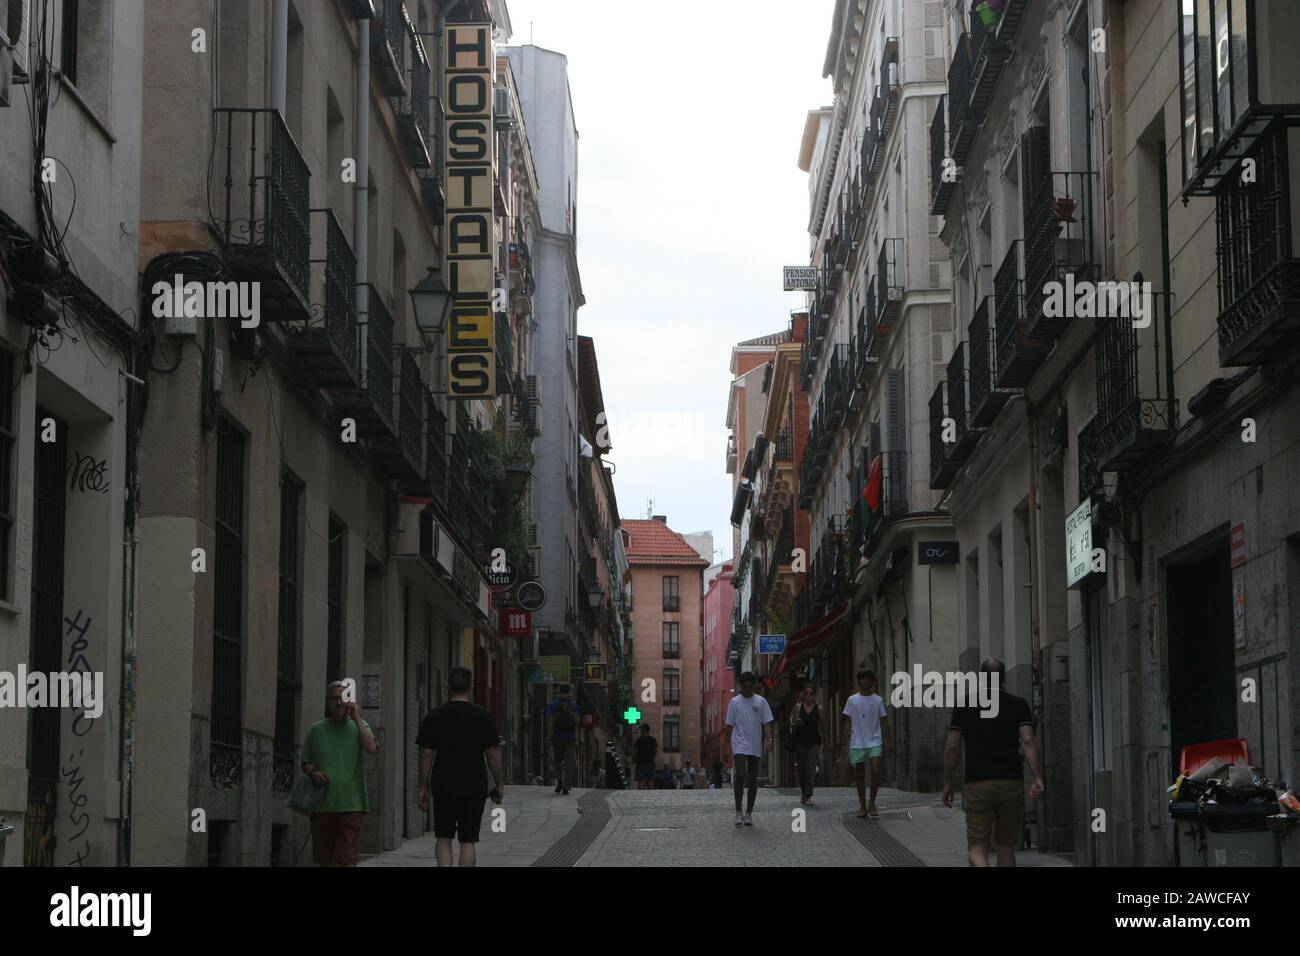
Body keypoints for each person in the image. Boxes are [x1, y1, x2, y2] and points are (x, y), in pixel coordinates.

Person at [942, 659, 1044, 867]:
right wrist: (1037, 777)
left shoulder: (964, 705)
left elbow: (952, 746)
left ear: (981, 678)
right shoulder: (1018, 704)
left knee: (977, 847)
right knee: (1005, 846)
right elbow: (1027, 741)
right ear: (1004, 679)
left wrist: (948, 782)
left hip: (977, 783)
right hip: (1010, 782)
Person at [416, 666, 505, 867]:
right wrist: (499, 783)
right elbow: (492, 755)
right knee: (467, 840)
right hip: (473, 786)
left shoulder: (435, 716)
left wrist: (422, 786)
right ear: (470, 687)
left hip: (443, 785)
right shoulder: (483, 716)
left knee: (444, 837)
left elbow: (426, 753)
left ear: (449, 686)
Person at [300, 681, 381, 866]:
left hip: (352, 804)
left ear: (350, 701)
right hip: (322, 805)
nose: (338, 702)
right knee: (325, 860)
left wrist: (357, 718)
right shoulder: (316, 730)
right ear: (327, 702)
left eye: (343, 698)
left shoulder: (359, 727)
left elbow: (371, 748)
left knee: (344, 860)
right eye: (334, 698)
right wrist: (313, 774)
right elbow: (305, 763)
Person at [723, 671, 775, 826]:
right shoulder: (735, 702)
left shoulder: (761, 702)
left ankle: (749, 813)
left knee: (752, 780)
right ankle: (738, 811)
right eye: (744, 686)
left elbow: (767, 722)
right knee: (740, 775)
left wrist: (770, 739)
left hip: (755, 743)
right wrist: (726, 746)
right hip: (739, 743)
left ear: (754, 686)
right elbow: (729, 725)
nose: (747, 689)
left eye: (750, 686)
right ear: (740, 685)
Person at [842, 669, 891, 818]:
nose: (866, 682)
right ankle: (862, 805)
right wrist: (844, 744)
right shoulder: (852, 700)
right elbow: (848, 722)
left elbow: (884, 721)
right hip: (857, 741)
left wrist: (889, 741)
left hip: (874, 740)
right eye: (863, 679)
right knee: (859, 775)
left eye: (869, 679)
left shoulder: (878, 700)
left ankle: (872, 803)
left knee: (876, 770)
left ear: (872, 681)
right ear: (859, 681)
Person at [790, 683, 822, 806]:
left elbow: (822, 727)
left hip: (814, 742)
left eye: (811, 693)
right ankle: (804, 792)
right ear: (804, 694)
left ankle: (808, 795)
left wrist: (825, 744)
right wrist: (795, 723)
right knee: (802, 770)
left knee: (811, 768)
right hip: (800, 742)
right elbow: (791, 721)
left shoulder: (818, 709)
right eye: (807, 693)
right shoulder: (798, 707)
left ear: (814, 695)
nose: (809, 695)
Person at [546, 684, 579, 795]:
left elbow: (550, 720)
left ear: (559, 691)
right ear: (569, 691)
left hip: (557, 736)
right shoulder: (573, 705)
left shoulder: (554, 704)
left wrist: (550, 735)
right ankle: (567, 786)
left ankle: (559, 781)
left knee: (558, 761)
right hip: (570, 737)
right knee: (569, 762)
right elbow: (577, 721)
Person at [632, 723, 658, 790]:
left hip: (641, 763)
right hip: (651, 763)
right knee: (650, 781)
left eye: (641, 729)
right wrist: (652, 757)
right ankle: (652, 796)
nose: (640, 731)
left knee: (641, 780)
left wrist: (633, 759)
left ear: (644, 730)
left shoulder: (639, 739)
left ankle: (641, 795)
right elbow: (655, 751)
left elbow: (635, 751)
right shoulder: (653, 740)